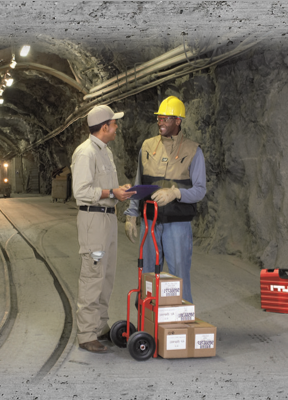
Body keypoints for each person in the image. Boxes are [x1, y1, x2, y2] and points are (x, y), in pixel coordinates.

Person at [124, 96, 206, 304]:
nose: (160, 122)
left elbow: (199, 191)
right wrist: (131, 216)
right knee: (148, 274)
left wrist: (176, 193)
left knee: (179, 276)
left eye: (166, 119)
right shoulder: (147, 146)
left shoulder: (193, 151)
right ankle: (148, 323)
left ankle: (182, 323)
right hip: (150, 222)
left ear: (178, 121)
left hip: (177, 226)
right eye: (159, 118)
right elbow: (138, 183)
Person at [71, 105, 135, 353]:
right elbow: (81, 192)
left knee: (106, 276)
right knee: (92, 276)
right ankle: (87, 335)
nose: (117, 127)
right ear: (104, 127)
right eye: (114, 123)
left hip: (108, 219)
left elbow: (106, 188)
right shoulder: (86, 153)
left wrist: (119, 191)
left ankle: (99, 327)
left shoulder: (105, 152)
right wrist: (111, 192)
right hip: (93, 222)